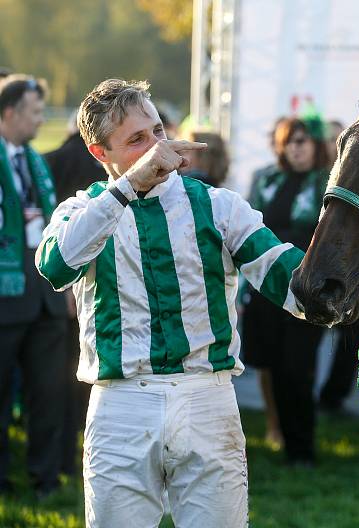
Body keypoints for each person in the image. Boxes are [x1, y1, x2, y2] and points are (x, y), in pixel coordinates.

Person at [35, 79, 305, 527]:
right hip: (120, 405)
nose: (158, 147)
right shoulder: (81, 209)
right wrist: (127, 188)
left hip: (207, 397)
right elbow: (56, 265)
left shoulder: (219, 206)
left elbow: (287, 278)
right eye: (137, 140)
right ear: (99, 153)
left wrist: (355, 281)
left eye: (158, 131)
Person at [241, 116, 328, 465]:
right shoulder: (266, 181)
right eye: (290, 141)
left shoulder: (327, 183)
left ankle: (303, 448)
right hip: (267, 292)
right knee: (275, 369)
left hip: (308, 291)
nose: (297, 147)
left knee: (298, 370)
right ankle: (287, 443)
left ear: (317, 144)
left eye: (304, 140)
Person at [0, 74, 69, 499]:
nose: (41, 121)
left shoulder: (36, 160)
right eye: (35, 112)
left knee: (49, 390)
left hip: (45, 294)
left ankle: (46, 476)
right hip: (5, 296)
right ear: (9, 113)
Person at [44, 108, 107, 478]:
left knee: (63, 378)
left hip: (56, 287)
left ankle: (65, 455)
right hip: (84, 287)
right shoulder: (94, 171)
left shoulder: (47, 161)